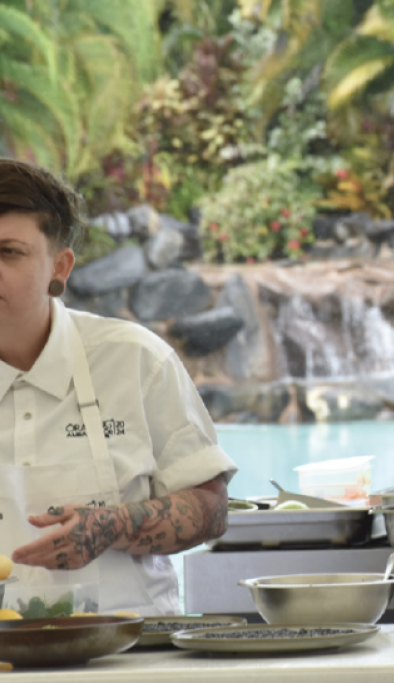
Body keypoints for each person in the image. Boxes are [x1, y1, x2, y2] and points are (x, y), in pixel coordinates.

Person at [0, 158, 237, 615]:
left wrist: (114, 525)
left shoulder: (136, 359)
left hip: (133, 656)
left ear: (59, 267)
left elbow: (212, 509)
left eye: (9, 252)